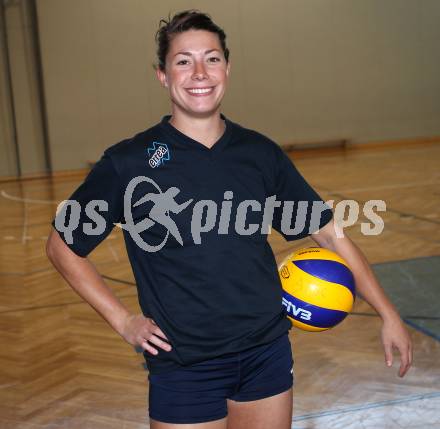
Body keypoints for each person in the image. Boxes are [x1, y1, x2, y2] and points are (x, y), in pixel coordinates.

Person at [46, 9, 413, 429]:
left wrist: (389, 313)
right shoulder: (129, 163)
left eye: (212, 58)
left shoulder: (259, 154)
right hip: (183, 364)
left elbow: (330, 234)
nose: (199, 72)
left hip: (266, 354)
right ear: (162, 76)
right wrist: (123, 320)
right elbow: (62, 246)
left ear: (227, 68)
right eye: (183, 61)